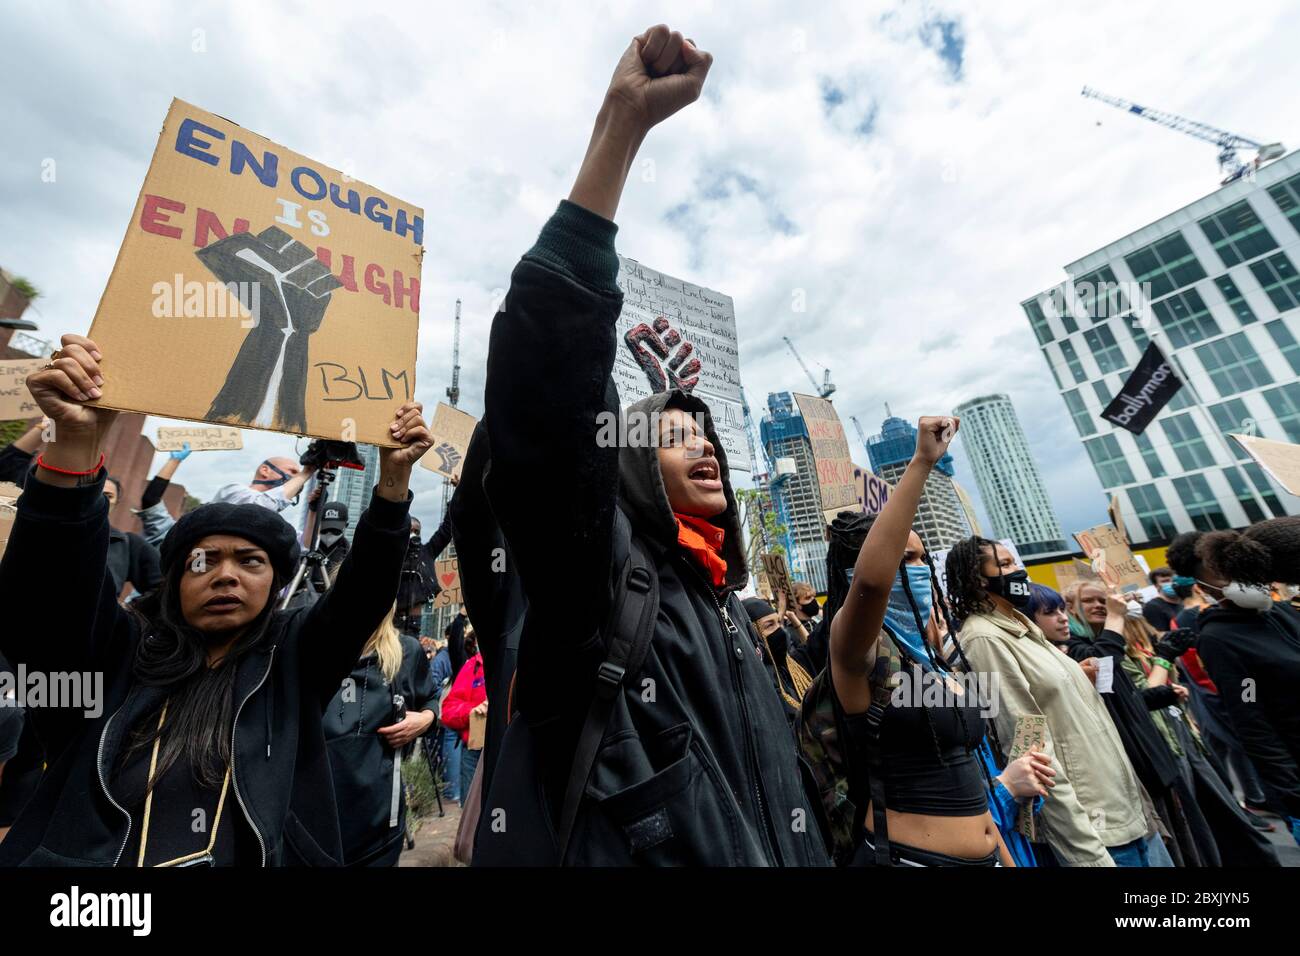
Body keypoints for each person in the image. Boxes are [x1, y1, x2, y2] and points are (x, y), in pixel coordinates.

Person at [475, 25, 827, 867]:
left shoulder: (725, 608)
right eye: (675, 437)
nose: (704, 448)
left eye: (707, 436)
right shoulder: (598, 589)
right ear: (631, 462)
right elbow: (548, 412)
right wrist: (620, 130)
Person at [0, 332, 431, 866]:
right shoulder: (116, 655)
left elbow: (361, 597)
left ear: (277, 585)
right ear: (174, 579)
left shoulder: (293, 662)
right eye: (203, 561)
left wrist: (392, 486)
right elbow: (47, 601)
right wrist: (72, 446)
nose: (225, 576)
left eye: (251, 562)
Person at [798, 417, 1052, 867]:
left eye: (919, 558)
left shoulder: (934, 659)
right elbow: (874, 585)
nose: (915, 568)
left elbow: (969, 781)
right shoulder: (858, 653)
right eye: (902, 557)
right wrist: (921, 463)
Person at [946, 537, 1149, 866]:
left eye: (1016, 562)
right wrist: (1087, 854)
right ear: (977, 579)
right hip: (1092, 828)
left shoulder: (1023, 627)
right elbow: (1029, 743)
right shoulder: (985, 638)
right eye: (1006, 565)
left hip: (1117, 810)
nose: (1019, 571)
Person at [1064, 582, 1277, 866]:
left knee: (1224, 818)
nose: (1099, 605)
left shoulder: (1118, 638)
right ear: (1071, 608)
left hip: (1177, 735)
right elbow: (1122, 685)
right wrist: (1163, 663)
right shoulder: (1083, 648)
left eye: (1104, 600)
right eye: (1089, 600)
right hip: (1154, 746)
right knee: (1195, 828)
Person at [1166, 525, 1300, 847]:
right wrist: (1292, 792)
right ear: (1205, 588)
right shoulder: (1219, 639)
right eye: (1222, 576)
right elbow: (1249, 712)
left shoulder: (1283, 613)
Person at [324, 606, 437, 866]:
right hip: (316, 826)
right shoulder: (314, 647)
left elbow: (430, 698)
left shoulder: (406, 652)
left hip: (379, 829)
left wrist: (425, 719)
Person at [742, 597, 815, 722]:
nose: (779, 630)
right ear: (752, 634)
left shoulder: (793, 664)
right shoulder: (756, 684)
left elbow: (815, 645)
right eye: (770, 625)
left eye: (779, 622)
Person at [101, 474, 163, 600]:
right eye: (95, 493)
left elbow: (163, 588)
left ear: (117, 502)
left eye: (108, 496)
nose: (101, 500)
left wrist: (130, 611)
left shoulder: (126, 544)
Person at [440, 637, 486, 807]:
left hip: (510, 752)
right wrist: (472, 711)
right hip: (474, 751)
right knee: (471, 812)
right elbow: (448, 711)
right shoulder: (472, 666)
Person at [211, 454, 314, 512]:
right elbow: (259, 508)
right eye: (292, 471)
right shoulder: (232, 490)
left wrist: (313, 511)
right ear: (265, 470)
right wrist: (305, 473)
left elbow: (305, 545)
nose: (296, 477)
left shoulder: (275, 512)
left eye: (298, 474)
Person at [1142, 566, 1182, 633]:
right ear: (1156, 586)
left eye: (1174, 580)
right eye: (1165, 581)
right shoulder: (1153, 607)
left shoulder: (1184, 601)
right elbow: (1161, 635)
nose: (1171, 583)